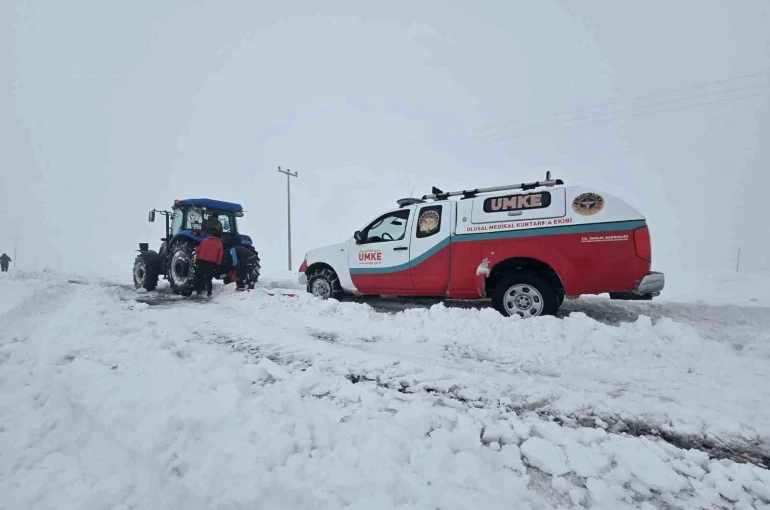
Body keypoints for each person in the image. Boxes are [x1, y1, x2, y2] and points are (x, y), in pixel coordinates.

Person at [194, 221, 223, 297]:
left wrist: (197, 260)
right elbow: (220, 256)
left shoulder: (204, 241)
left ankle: (198, 291)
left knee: (199, 276)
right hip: (210, 263)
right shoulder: (219, 244)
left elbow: (198, 251)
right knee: (208, 278)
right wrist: (218, 266)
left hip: (201, 261)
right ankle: (209, 293)